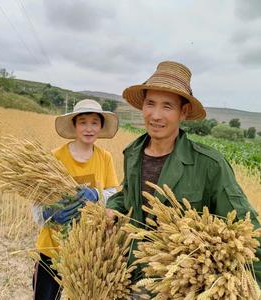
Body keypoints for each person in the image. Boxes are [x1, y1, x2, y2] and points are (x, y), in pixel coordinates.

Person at [106, 61, 261, 287]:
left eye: (167, 106)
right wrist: (113, 207)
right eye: (150, 103)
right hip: (133, 279)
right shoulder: (132, 154)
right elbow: (128, 195)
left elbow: (248, 232)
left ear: (184, 112)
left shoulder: (209, 165)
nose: (156, 115)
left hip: (181, 287)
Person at [32, 99, 119, 300]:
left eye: (94, 122)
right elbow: (37, 200)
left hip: (87, 251)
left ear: (101, 126)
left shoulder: (104, 157)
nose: (89, 128)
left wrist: (97, 195)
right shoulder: (55, 157)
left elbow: (114, 195)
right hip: (51, 249)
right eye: (83, 122)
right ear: (74, 125)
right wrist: (49, 214)